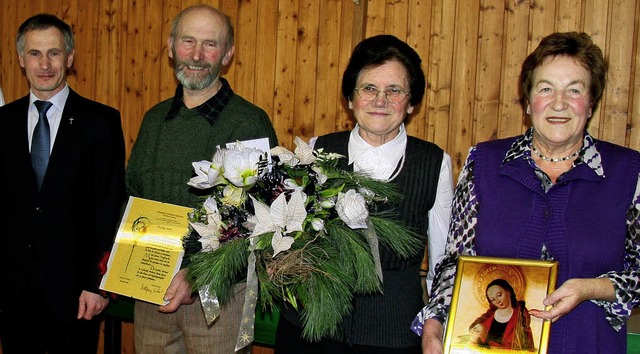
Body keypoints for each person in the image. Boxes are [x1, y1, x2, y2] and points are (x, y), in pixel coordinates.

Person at [412, 31, 640, 354]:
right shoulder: (484, 163)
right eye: (545, 88)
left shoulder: (629, 172)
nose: (558, 103)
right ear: (529, 101)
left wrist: (592, 288)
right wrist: (433, 323)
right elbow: (455, 263)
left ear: (591, 103)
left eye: (574, 90)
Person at [275, 34, 453, 354]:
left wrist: (435, 326)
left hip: (392, 336)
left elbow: (443, 262)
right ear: (350, 99)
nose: (380, 100)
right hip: (312, 329)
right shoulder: (318, 150)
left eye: (394, 90)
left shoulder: (434, 163)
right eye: (369, 88)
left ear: (412, 102)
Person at [125, 4, 278, 353]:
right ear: (170, 47)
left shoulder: (249, 123)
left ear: (227, 54)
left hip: (218, 301)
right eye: (187, 41)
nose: (196, 55)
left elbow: (259, 218)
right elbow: (133, 195)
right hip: (151, 290)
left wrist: (196, 275)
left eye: (210, 44)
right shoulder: (154, 120)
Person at [0, 13, 126, 353]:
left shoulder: (101, 122)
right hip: (12, 296)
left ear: (69, 58)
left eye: (54, 53)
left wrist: (97, 286)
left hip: (76, 297)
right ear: (20, 59)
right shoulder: (2, 123)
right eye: (35, 53)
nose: (44, 64)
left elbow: (110, 207)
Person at [467, 279, 534, 350]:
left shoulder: (521, 318)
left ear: (508, 292)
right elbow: (473, 343)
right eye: (493, 299)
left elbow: (527, 347)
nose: (497, 301)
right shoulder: (486, 319)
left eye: (499, 295)